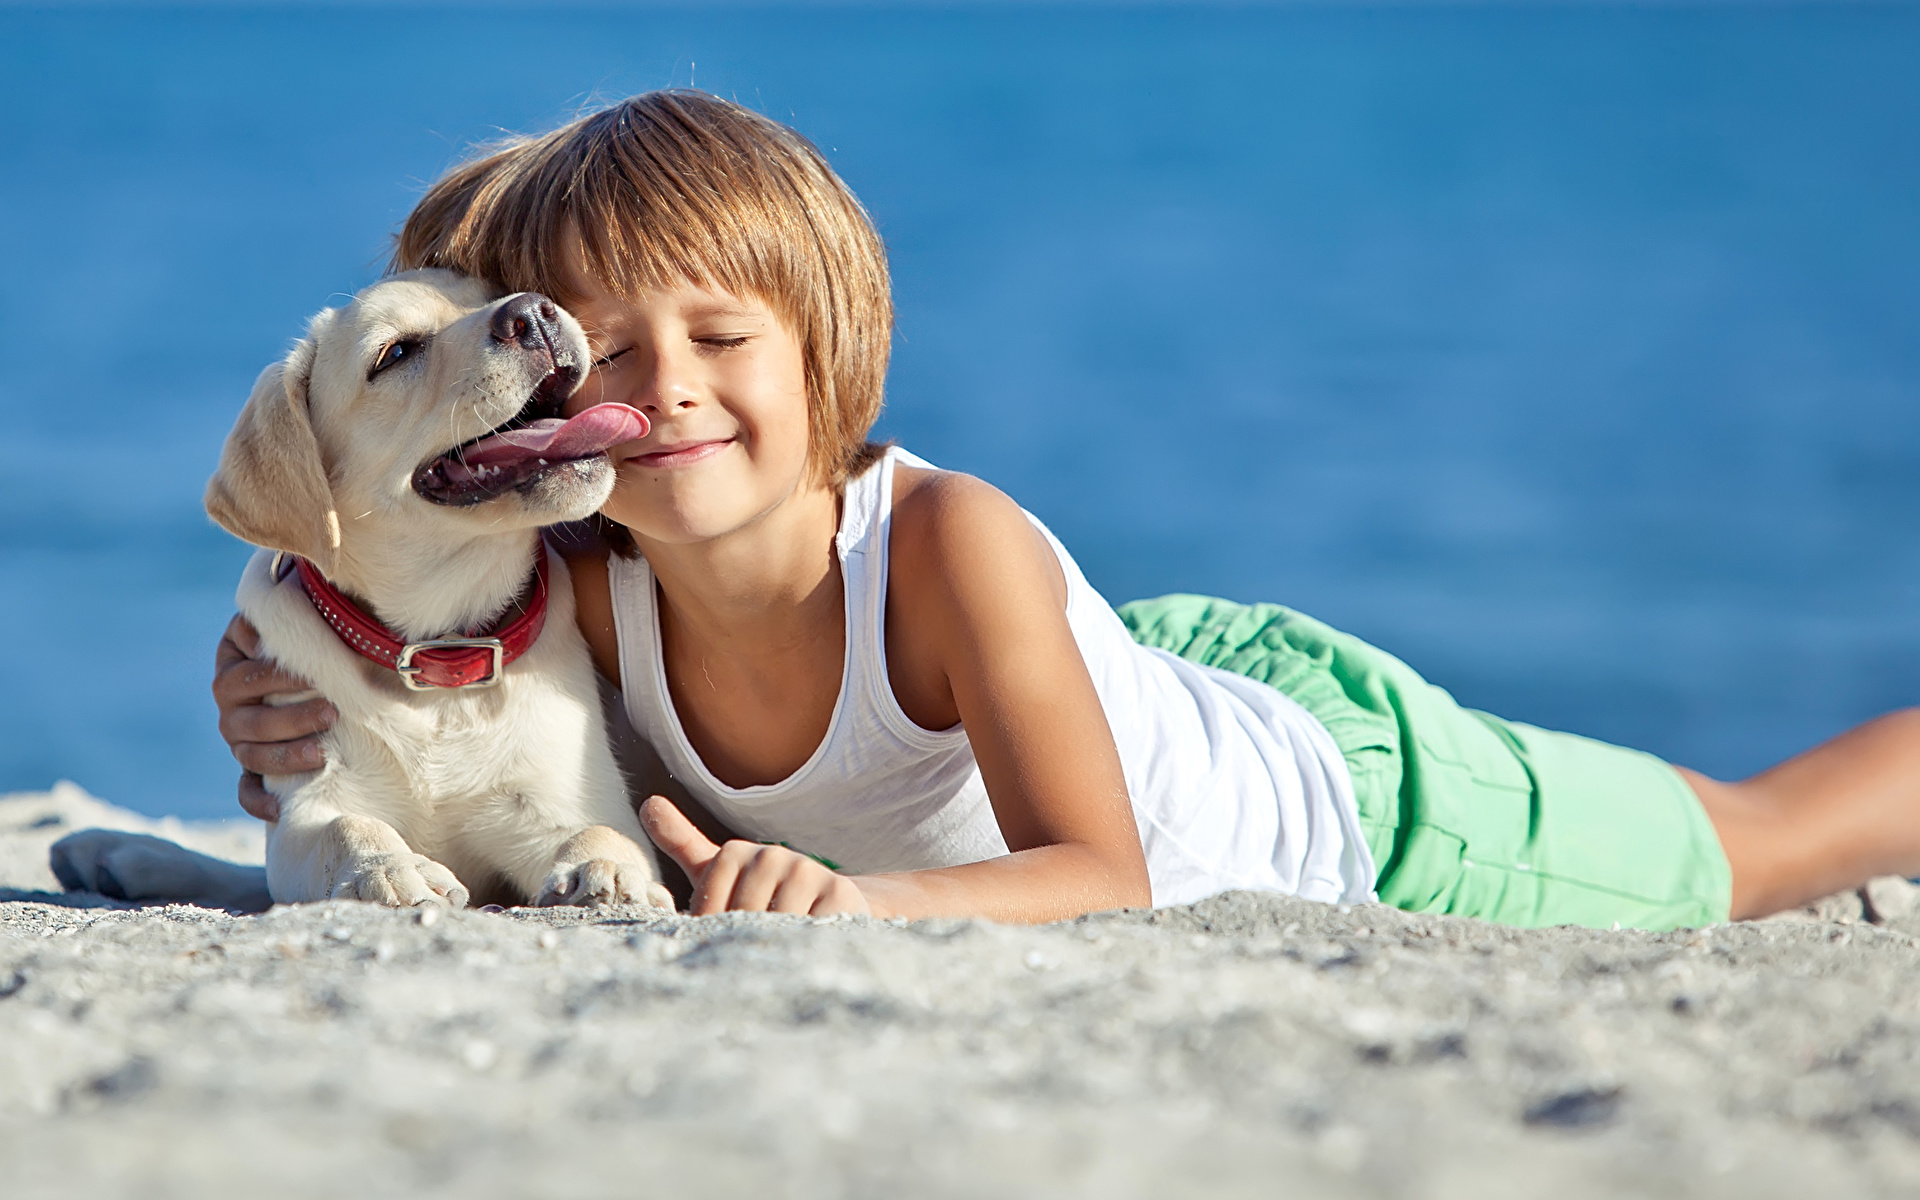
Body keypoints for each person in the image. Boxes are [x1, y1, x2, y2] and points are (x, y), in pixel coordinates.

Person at [213, 90, 1920, 929]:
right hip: (1122, 670)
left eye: (725, 340)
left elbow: (1101, 873)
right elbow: (400, 637)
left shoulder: (949, 544)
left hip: (1351, 797)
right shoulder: (578, 578)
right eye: (619, 355)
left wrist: (859, 908)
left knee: (1769, 843)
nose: (666, 390)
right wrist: (266, 703)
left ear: (831, 355)